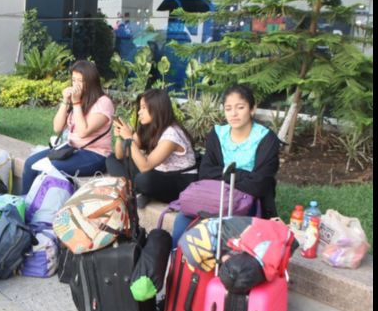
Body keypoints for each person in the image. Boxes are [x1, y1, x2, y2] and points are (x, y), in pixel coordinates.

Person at [170, 84, 281, 246]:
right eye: (228, 108)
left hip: (247, 202)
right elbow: (205, 173)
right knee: (182, 220)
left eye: (240, 107)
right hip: (215, 197)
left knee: (219, 236)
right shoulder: (217, 134)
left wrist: (224, 175)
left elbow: (259, 184)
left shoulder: (266, 139)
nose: (233, 114)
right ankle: (175, 265)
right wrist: (240, 174)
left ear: (252, 109)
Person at [21, 60, 114, 193]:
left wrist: (76, 103)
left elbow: (83, 132)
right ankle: (23, 204)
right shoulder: (78, 99)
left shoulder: (104, 103)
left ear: (91, 81)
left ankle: (37, 208)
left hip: (94, 154)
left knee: (49, 168)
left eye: (80, 81)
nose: (76, 85)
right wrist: (65, 101)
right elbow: (57, 128)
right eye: (74, 80)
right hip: (70, 148)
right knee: (30, 164)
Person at [105, 88, 197, 208]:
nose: (139, 112)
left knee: (144, 180)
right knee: (111, 160)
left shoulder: (172, 134)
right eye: (140, 107)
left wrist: (129, 138)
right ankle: (138, 191)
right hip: (158, 172)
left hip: (179, 181)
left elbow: (145, 166)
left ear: (156, 109)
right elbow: (121, 155)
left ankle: (137, 189)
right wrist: (118, 137)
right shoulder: (148, 127)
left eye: (143, 108)